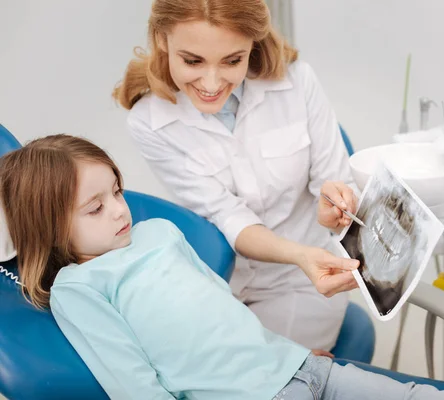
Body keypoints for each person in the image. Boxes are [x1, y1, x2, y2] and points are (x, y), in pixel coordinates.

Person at [0, 134, 444, 400]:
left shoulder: (159, 233)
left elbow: (225, 312)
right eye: (95, 208)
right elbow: (133, 384)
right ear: (51, 229)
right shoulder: (79, 286)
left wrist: (292, 353)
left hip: (301, 368)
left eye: (117, 192)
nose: (120, 210)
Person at [113, 0, 360, 351]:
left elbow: (335, 182)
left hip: (304, 278)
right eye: (192, 60)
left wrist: (333, 208)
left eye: (232, 60)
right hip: (220, 281)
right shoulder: (149, 121)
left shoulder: (298, 82)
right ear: (162, 39)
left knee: (269, 378)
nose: (211, 83)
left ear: (252, 45)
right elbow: (227, 215)